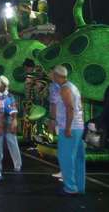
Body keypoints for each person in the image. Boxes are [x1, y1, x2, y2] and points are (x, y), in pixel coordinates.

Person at [51, 64, 86, 195]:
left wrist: (68, 128)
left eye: (53, 74)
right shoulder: (73, 87)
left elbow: (70, 108)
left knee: (66, 157)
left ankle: (70, 187)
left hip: (70, 127)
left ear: (57, 75)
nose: (51, 76)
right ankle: (79, 186)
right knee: (77, 157)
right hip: (79, 126)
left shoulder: (65, 89)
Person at [0, 75, 21, 172]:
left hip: (8, 120)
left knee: (12, 143)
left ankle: (17, 164)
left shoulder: (9, 96)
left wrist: (14, 122)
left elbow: (14, 110)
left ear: (4, 85)